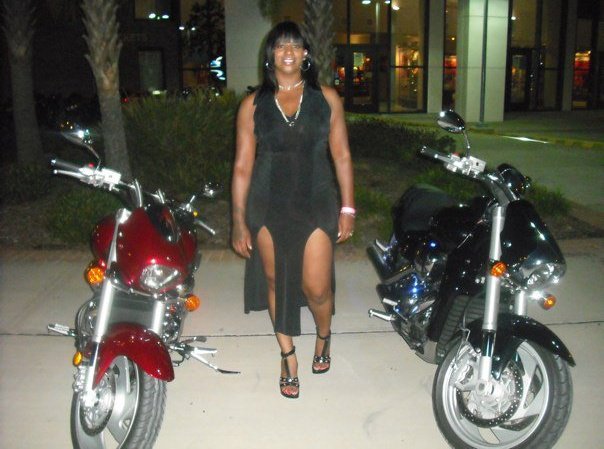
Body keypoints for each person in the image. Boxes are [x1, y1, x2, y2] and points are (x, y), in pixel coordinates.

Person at [231, 21, 355, 399]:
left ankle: (324, 334)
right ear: (270, 54)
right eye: (280, 46)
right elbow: (242, 166)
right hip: (267, 204)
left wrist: (348, 207)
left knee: (316, 288)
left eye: (295, 46)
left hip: (316, 200)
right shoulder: (252, 105)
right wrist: (238, 219)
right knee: (275, 282)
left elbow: (342, 156)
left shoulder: (326, 98)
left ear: (305, 54)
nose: (288, 52)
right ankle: (288, 356)